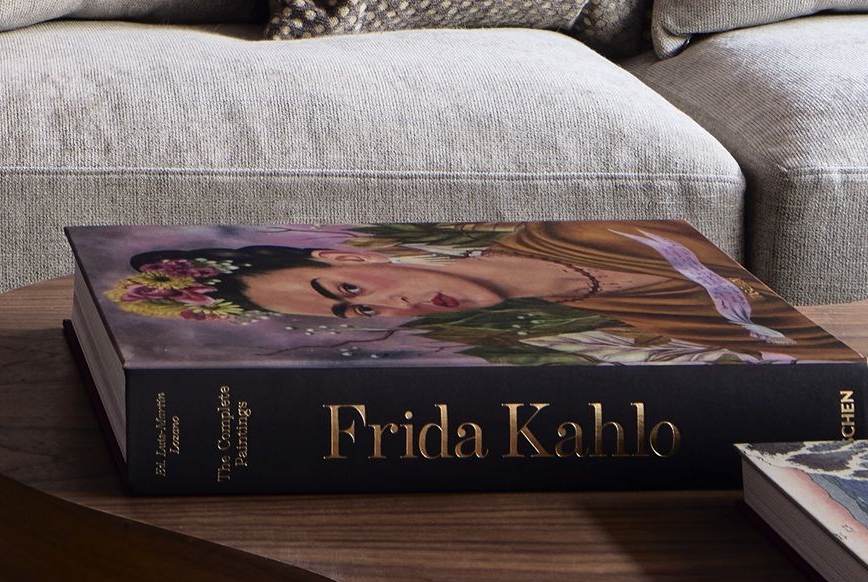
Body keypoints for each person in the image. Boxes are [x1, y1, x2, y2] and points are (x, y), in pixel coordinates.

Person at [109, 218, 812, 363]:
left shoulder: (563, 239)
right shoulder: (578, 344)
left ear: (338, 250)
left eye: (349, 284)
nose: (385, 308)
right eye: (351, 313)